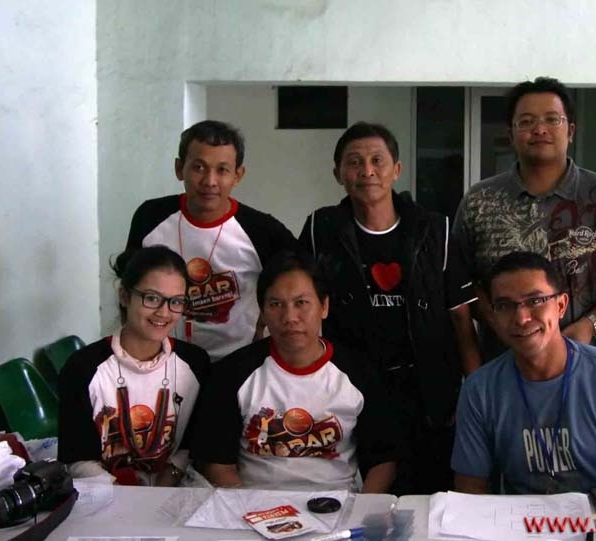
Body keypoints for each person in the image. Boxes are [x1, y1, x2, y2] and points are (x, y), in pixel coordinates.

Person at [299, 122, 480, 495]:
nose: (367, 171)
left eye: (377, 160)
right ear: (338, 174)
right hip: (351, 387)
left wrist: (476, 392)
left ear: (396, 169)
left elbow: (461, 317)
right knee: (362, 493)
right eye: (354, 162)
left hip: (427, 390)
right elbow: (301, 302)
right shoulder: (321, 229)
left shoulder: (436, 230)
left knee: (428, 494)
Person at [453, 76, 596, 357]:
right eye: (526, 121)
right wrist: (500, 323)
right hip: (507, 362)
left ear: (570, 131)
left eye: (552, 119)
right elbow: (462, 282)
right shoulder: (479, 201)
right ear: (511, 134)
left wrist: (591, 324)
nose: (540, 129)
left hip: (591, 360)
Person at [451, 251, 596, 495]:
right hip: (524, 517)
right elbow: (470, 487)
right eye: (505, 306)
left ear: (561, 305)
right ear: (493, 315)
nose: (521, 318)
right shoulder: (480, 389)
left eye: (535, 301)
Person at [192, 250, 399, 492]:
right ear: (262, 311)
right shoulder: (232, 374)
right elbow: (217, 465)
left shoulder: (359, 372)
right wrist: (249, 508)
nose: (290, 317)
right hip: (252, 504)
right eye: (276, 304)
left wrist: (362, 508)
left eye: (301, 303)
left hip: (337, 504)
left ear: (324, 306)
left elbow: (383, 461)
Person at [125, 120, 298, 361]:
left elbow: (298, 286)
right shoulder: (150, 217)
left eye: (222, 170)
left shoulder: (262, 230)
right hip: (164, 359)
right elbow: (130, 288)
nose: (210, 181)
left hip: (237, 362)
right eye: (199, 167)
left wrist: (266, 329)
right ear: (179, 168)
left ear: (238, 175)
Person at [58, 245, 210, 486]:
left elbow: (193, 443)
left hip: (174, 489)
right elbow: (77, 459)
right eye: (152, 298)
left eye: (176, 302)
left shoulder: (196, 364)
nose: (164, 312)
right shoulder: (82, 368)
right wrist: (127, 497)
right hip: (105, 495)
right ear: (124, 296)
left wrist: (166, 482)